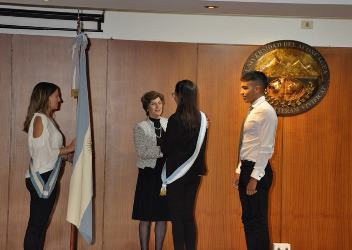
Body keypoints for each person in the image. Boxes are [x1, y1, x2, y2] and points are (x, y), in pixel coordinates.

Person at [23, 82, 75, 250]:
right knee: (36, 227)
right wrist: (68, 148)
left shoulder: (47, 119)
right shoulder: (40, 118)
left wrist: (68, 156)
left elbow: (50, 151)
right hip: (42, 179)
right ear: (46, 97)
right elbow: (41, 152)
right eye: (56, 96)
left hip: (47, 177)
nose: (59, 100)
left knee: (39, 226)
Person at [161, 80, 208, 250]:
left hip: (176, 175)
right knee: (188, 216)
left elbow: (166, 148)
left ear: (180, 96)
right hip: (194, 175)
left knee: (177, 218)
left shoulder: (175, 119)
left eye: (175, 94)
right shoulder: (202, 118)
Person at [234, 71, 278, 250]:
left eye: (245, 87)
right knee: (248, 219)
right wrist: (239, 169)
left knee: (257, 221)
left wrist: (254, 177)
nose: (241, 91)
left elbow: (266, 148)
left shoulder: (266, 111)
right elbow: (248, 144)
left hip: (256, 171)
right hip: (247, 168)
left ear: (258, 88)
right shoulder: (254, 110)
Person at [132, 91, 170, 250]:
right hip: (148, 175)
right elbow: (142, 151)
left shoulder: (169, 123)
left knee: (162, 216)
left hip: (165, 175)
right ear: (147, 108)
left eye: (160, 103)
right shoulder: (140, 127)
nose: (157, 106)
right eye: (153, 104)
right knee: (146, 217)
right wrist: (164, 150)